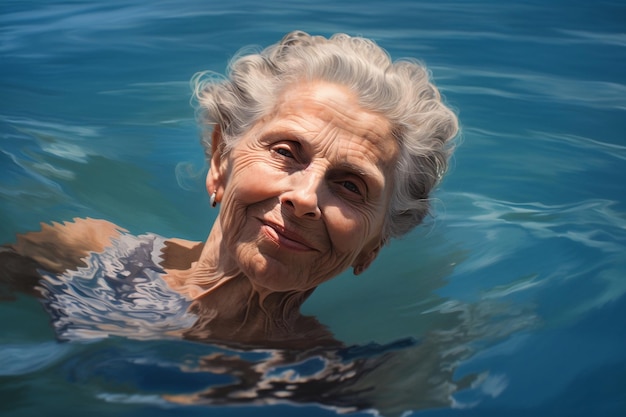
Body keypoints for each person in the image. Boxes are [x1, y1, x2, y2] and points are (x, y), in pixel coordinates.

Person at [1, 31, 458, 348]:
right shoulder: (86, 256)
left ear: (372, 247)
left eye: (351, 186)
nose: (303, 197)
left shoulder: (319, 382)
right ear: (221, 160)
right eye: (286, 151)